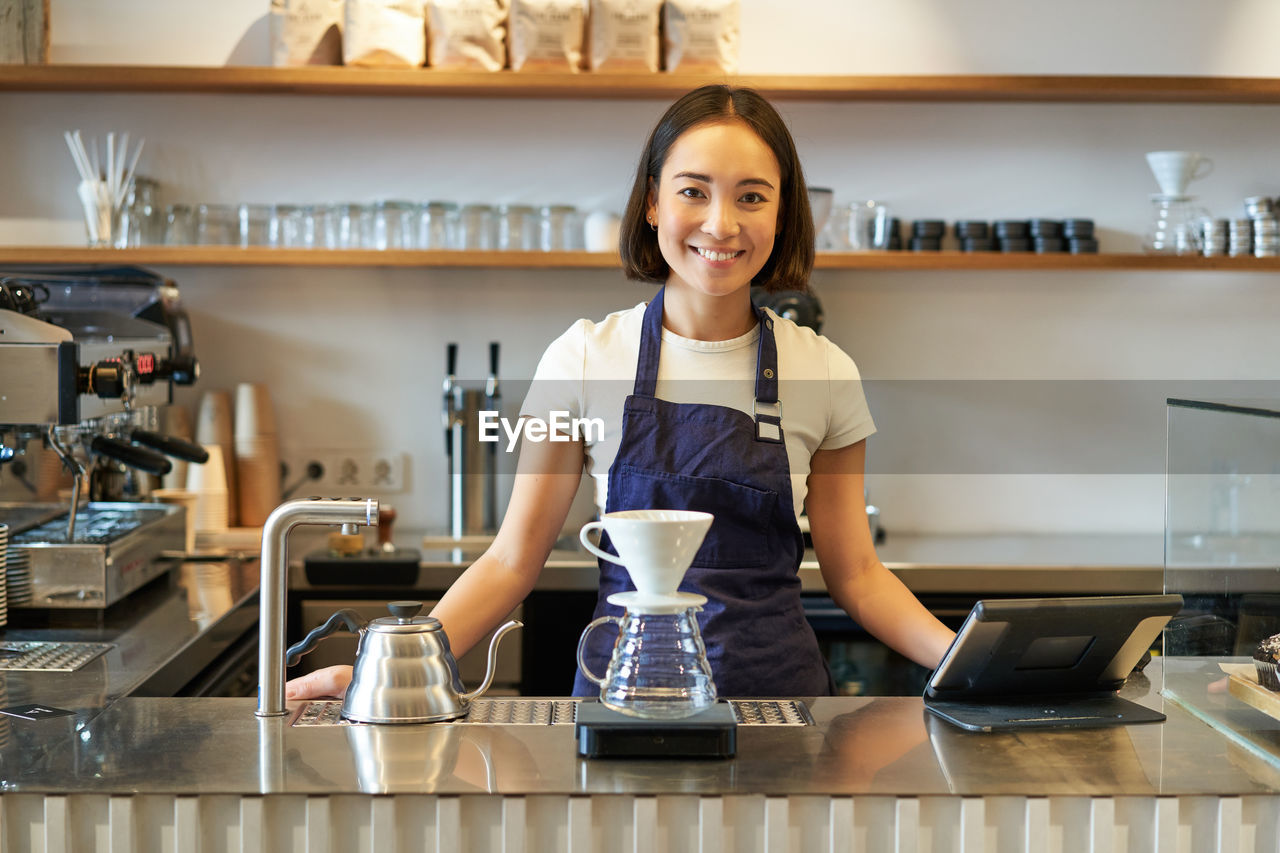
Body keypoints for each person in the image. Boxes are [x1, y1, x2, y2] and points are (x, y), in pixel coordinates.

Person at [287, 84, 955, 702]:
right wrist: (394, 667)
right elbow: (513, 559)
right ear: (653, 202)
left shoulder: (826, 371)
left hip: (779, 711)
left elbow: (858, 576)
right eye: (694, 191)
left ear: (783, 214)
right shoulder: (581, 358)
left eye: (752, 196)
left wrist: (963, 664)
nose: (721, 224)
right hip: (623, 703)